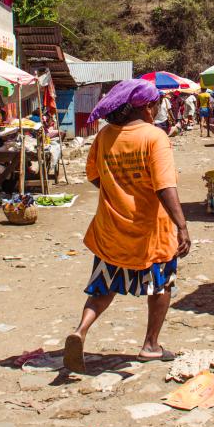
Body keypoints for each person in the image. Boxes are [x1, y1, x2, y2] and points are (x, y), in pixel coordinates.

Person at [65, 79, 191, 373]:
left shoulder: (105, 136)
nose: (158, 110)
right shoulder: (154, 137)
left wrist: (117, 187)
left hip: (111, 229)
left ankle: (81, 330)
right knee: (161, 285)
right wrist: (182, 225)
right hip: (151, 231)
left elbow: (95, 176)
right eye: (157, 105)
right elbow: (164, 186)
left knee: (102, 287)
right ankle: (150, 345)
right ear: (147, 107)